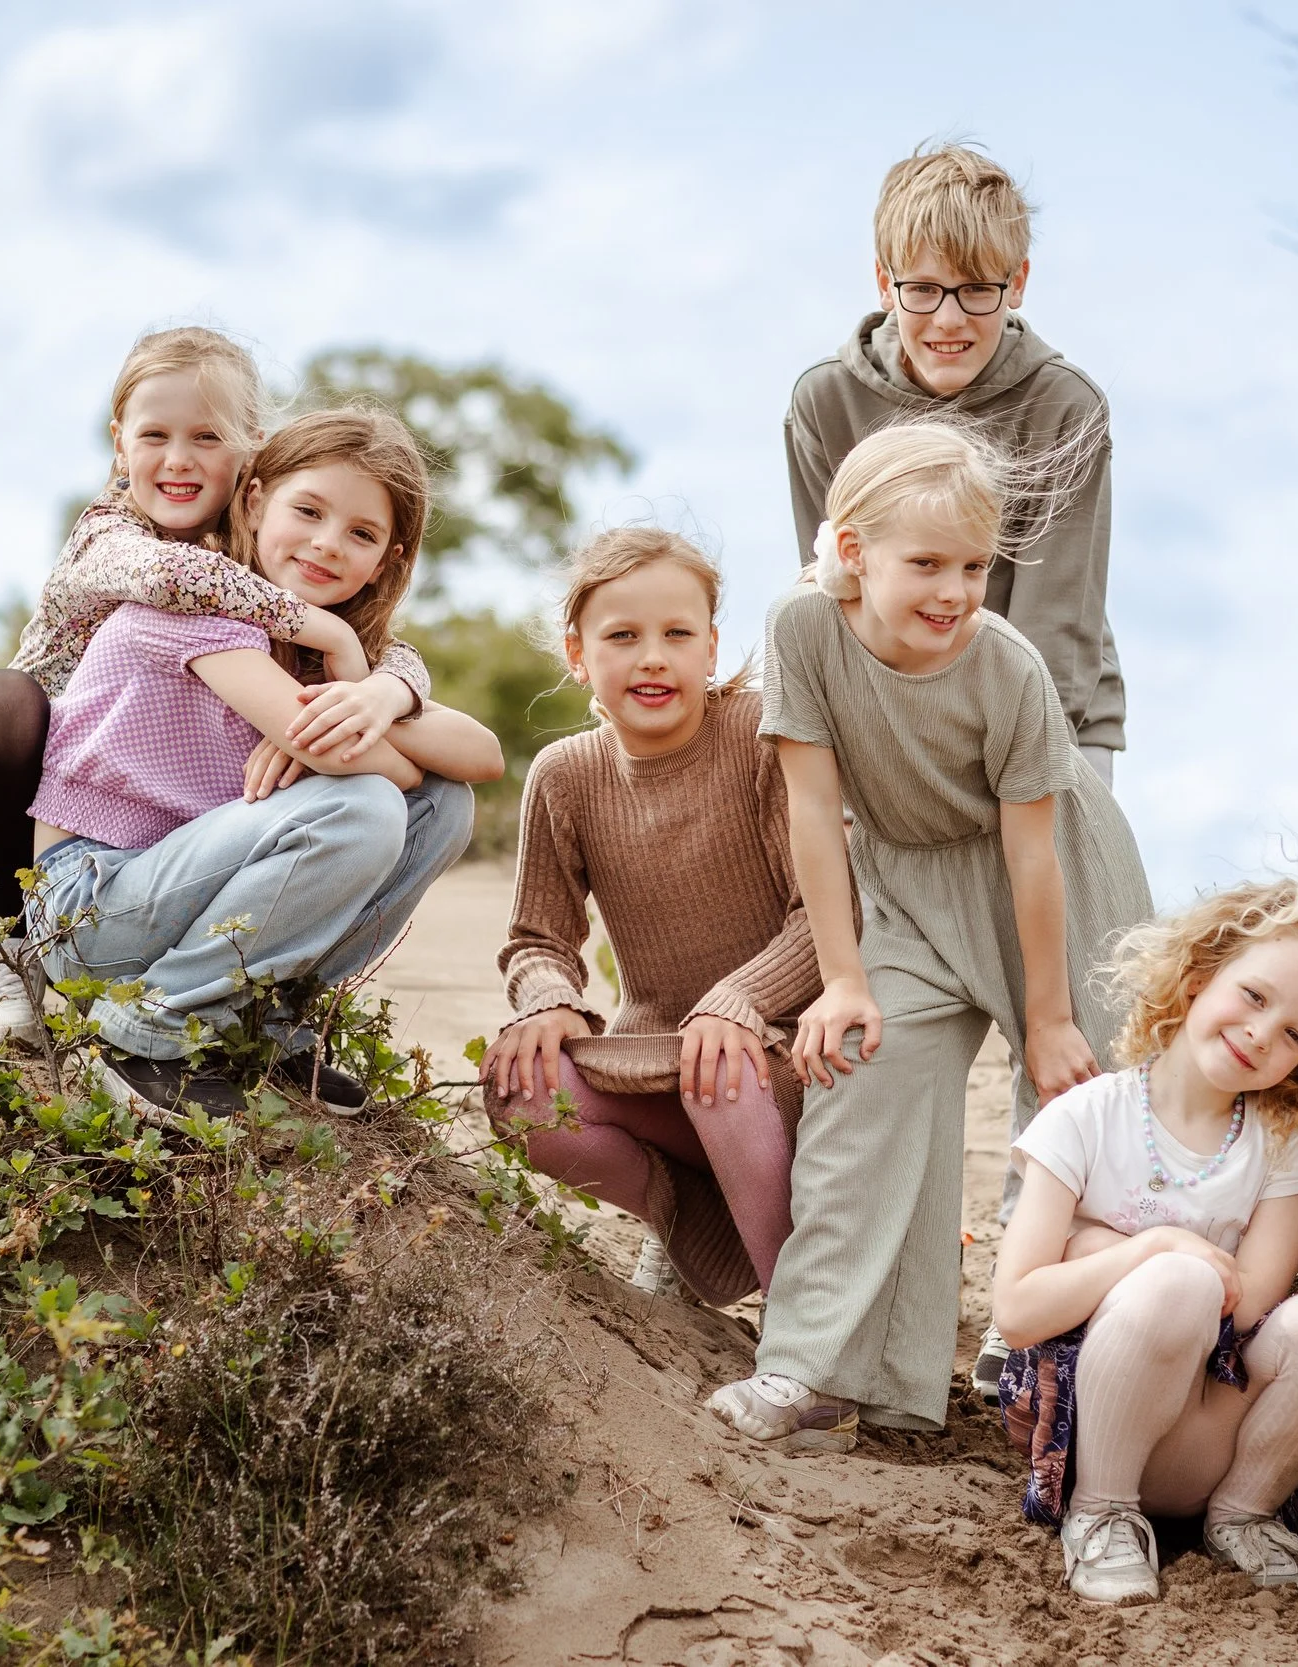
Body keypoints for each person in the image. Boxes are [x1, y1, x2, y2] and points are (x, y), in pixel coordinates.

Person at [706, 419, 1153, 1451]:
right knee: (864, 1066)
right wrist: (843, 978)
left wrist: (1045, 1018)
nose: (954, 591)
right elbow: (813, 813)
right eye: (926, 564)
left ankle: (1042, 1349)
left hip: (1055, 876)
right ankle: (817, 1364)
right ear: (852, 552)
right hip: (905, 875)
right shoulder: (803, 630)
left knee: (1085, 1096)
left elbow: (1033, 853)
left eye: (972, 566)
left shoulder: (1004, 667)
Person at [782, 143, 1128, 1354]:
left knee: (1073, 1036)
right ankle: (859, 1321)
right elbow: (833, 590)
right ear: (883, 277)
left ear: (1018, 281)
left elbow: (1056, 614)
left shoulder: (1063, 408)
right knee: (889, 1029)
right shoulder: (825, 400)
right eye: (923, 288)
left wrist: (1018, 783)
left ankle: (1025, 1326)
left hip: (1044, 727)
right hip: (890, 740)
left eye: (978, 291)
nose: (949, 318)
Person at [0, 326, 436, 1048]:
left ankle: (250, 1006)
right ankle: (7, 948)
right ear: (120, 443)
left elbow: (399, 657)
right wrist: (325, 635)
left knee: (422, 801)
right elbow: (172, 581)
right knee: (1, 701)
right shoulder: (116, 533)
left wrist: (385, 692)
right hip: (34, 781)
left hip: (157, 805)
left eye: (208, 437)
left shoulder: (261, 544)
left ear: (250, 451)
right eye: (155, 435)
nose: (179, 460)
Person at [23, 409, 502, 1116]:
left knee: (447, 806)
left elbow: (481, 756)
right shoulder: (193, 602)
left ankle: (263, 1027)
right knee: (368, 804)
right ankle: (146, 1032)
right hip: (89, 912)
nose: (327, 543)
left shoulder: (305, 652)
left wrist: (378, 691)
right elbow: (383, 775)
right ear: (255, 500)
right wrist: (338, 677)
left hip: (176, 892)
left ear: (388, 560)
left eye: (361, 534)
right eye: (307, 510)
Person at [992, 876, 1298, 1607]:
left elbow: (1248, 1303)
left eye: (1296, 1035)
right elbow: (1018, 1309)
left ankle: (1241, 1516)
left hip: (1216, 1433)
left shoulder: (1283, 1140)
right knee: (1180, 1278)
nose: (1262, 1034)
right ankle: (1102, 1514)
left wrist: (1093, 1247)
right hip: (1095, 1423)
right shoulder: (1084, 1118)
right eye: (1254, 996)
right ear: (1200, 978)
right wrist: (1151, 1249)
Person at [481, 528, 816, 1304]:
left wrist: (740, 1002)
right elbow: (538, 938)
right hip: (655, 1053)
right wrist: (550, 999)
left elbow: (825, 915)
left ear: (710, 647)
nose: (653, 657)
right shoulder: (565, 774)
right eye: (622, 636)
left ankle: (803, 1331)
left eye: (676, 633)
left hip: (780, 1051)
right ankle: (689, 1218)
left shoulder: (762, 735)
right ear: (577, 653)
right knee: (520, 1090)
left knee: (721, 1071)